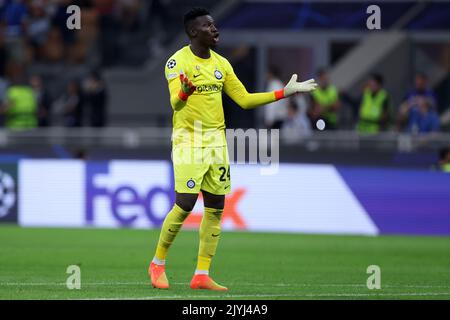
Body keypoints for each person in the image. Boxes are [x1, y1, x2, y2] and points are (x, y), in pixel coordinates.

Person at [149, 7, 317, 291]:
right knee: (186, 203)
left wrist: (284, 93)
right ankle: (158, 264)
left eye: (215, 26)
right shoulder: (177, 62)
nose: (215, 30)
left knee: (215, 208)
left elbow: (245, 100)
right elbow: (175, 105)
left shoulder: (222, 64)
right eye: (208, 26)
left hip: (217, 141)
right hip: (189, 140)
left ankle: (201, 274)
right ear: (193, 32)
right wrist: (185, 92)